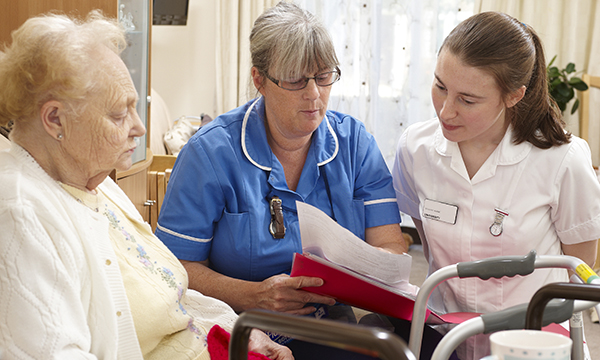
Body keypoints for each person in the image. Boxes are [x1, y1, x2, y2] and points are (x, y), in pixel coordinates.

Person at [0, 11, 292, 360]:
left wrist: (241, 333)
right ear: (55, 118)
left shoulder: (94, 181)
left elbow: (173, 294)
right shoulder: (20, 214)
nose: (139, 128)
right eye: (119, 114)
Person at [155, 2, 427, 359]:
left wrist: (359, 276)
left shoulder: (355, 143)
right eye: (297, 80)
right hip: (241, 325)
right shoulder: (210, 153)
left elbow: (390, 246)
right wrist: (253, 295)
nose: (314, 94)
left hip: (328, 321)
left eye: (324, 76)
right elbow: (173, 268)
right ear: (259, 80)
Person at [392, 11, 600, 360]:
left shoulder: (562, 159)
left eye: (467, 100)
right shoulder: (416, 149)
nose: (445, 111)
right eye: (440, 86)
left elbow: (577, 272)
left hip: (532, 339)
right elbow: (428, 250)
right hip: (445, 334)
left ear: (514, 96)